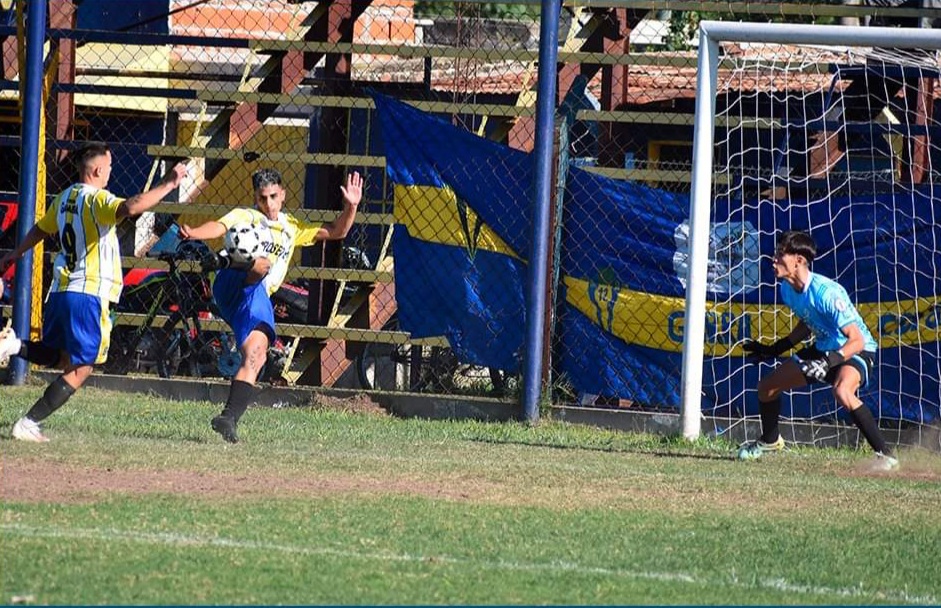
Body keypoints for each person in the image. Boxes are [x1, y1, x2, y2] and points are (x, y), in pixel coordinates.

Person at [0, 142, 188, 442]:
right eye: (110, 166)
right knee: (83, 367)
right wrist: (168, 183)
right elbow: (131, 207)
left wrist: (15, 253)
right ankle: (28, 422)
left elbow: (41, 229)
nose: (111, 171)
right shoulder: (97, 199)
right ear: (99, 170)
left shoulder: (65, 198)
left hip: (62, 290)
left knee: (63, 359)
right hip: (89, 293)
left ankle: (14, 346)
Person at [180, 167, 362, 443]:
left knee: (257, 354)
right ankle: (225, 261)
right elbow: (219, 226)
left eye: (273, 197)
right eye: (262, 198)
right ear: (255, 198)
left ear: (283, 195)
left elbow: (338, 231)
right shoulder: (247, 216)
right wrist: (194, 232)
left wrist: (351, 206)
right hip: (231, 283)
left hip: (254, 294)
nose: (268, 204)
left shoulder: (292, 228)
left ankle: (228, 418)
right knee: (262, 263)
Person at [739, 230, 898, 470]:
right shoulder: (787, 289)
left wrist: (828, 362)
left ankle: (886, 456)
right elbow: (807, 322)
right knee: (767, 388)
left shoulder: (827, 292)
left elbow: (857, 340)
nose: (773, 260)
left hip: (855, 351)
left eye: (780, 255)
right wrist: (776, 348)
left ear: (799, 260)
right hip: (824, 349)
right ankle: (770, 441)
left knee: (842, 391)